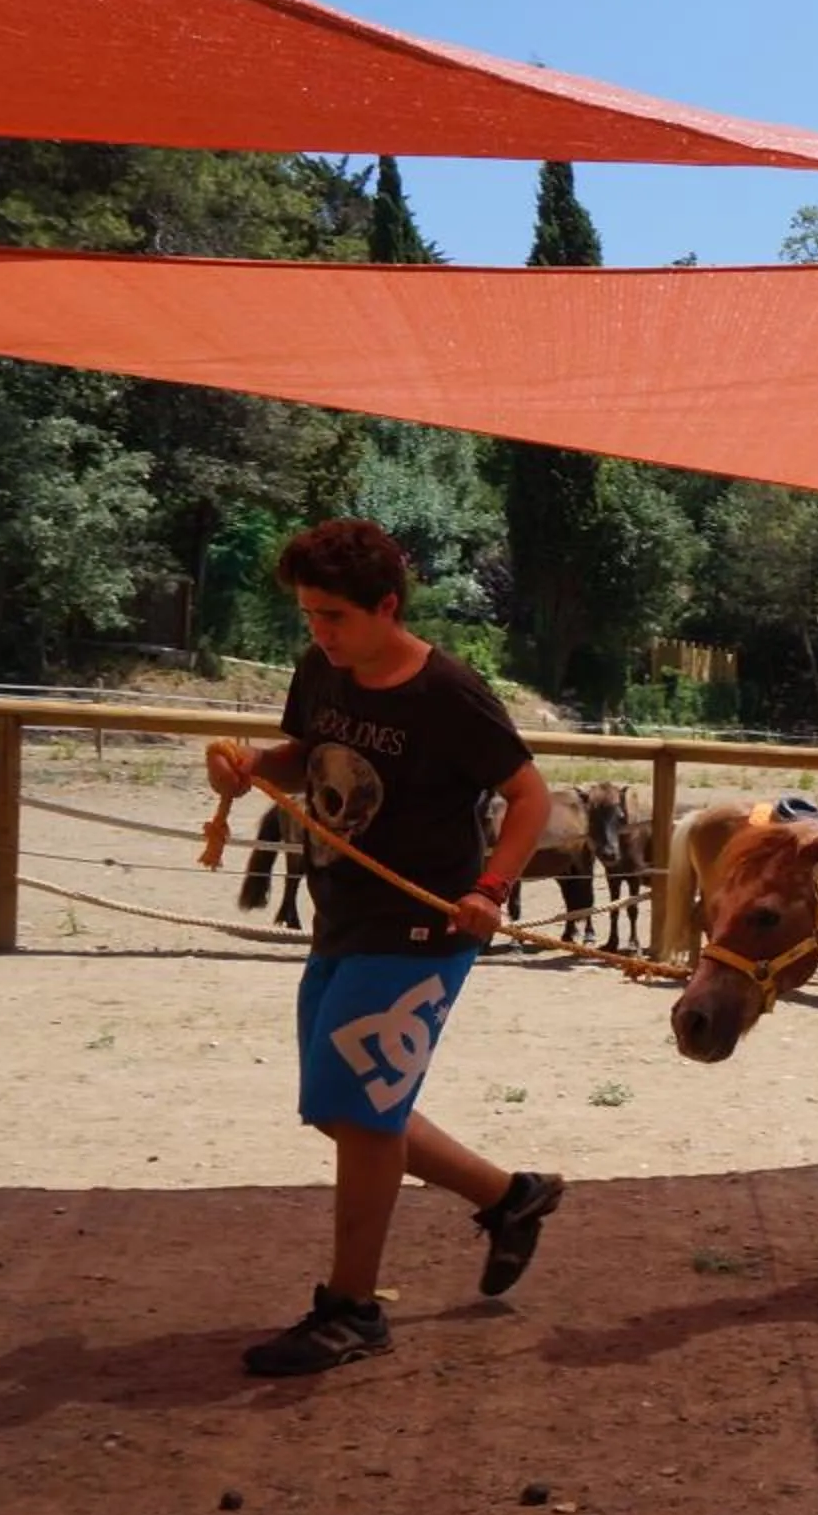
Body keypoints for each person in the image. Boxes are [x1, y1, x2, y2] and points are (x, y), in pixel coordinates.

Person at [202, 519, 565, 1377]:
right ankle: (510, 1197)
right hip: (342, 912)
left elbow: (529, 795)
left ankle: (352, 1310)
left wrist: (491, 890)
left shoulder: (449, 693)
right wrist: (253, 766)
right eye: (309, 617)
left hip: (425, 924)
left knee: (360, 1113)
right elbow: (308, 754)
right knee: (340, 1106)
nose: (319, 634)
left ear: (386, 607)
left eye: (333, 617)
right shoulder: (321, 668)